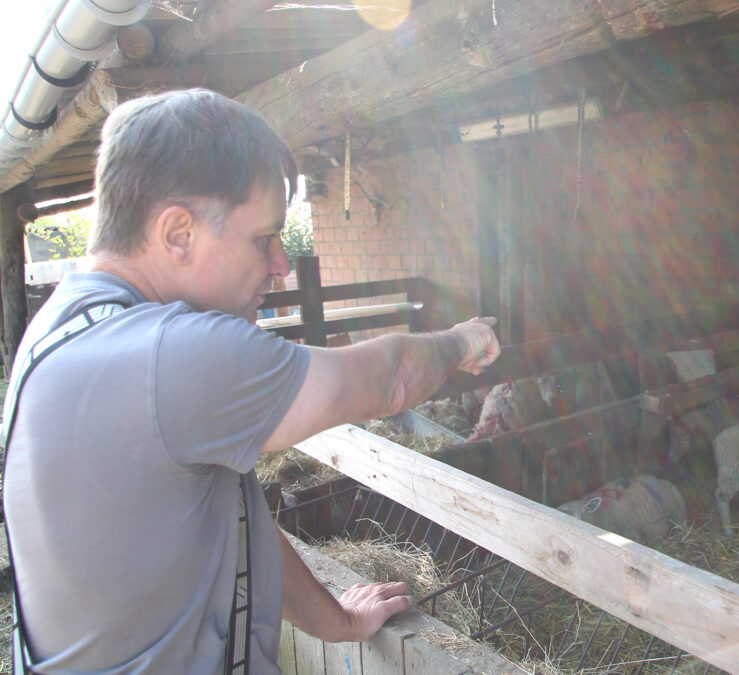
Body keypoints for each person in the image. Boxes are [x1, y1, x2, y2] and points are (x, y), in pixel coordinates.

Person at [1, 88, 501, 673]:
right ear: (179, 233)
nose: (282, 265)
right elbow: (389, 382)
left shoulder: (69, 326)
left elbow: (228, 526)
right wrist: (463, 341)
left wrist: (337, 623)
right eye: (263, 239)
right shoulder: (166, 356)